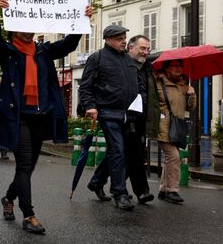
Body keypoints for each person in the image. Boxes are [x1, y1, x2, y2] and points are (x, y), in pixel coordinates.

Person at [0, 0, 92, 234]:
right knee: (24, 163)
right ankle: (29, 214)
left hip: (40, 115)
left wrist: (81, 21)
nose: (29, 30)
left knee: (29, 166)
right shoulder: (8, 51)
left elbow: (67, 45)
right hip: (18, 117)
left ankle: (8, 198)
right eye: (24, 25)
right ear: (14, 27)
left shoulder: (43, 51)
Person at [91, 35, 159, 204]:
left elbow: (149, 93)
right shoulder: (122, 64)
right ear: (131, 48)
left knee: (118, 153)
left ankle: (97, 181)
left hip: (140, 116)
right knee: (129, 153)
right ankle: (137, 191)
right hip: (123, 116)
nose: (145, 52)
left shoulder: (147, 68)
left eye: (147, 49)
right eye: (142, 48)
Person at [81, 24, 139, 211]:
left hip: (127, 115)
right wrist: (90, 106)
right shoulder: (97, 58)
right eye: (119, 38)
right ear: (108, 39)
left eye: (124, 37)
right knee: (118, 150)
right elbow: (85, 87)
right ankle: (119, 193)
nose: (124, 41)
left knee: (119, 151)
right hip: (107, 113)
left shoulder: (129, 60)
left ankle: (97, 182)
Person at [155, 59, 196, 204]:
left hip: (177, 126)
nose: (179, 68)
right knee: (174, 156)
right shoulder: (158, 82)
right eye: (175, 66)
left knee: (170, 159)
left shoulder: (183, 84)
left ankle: (163, 190)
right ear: (166, 68)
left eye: (180, 66)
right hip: (163, 125)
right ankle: (172, 190)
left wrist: (192, 95)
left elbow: (189, 108)